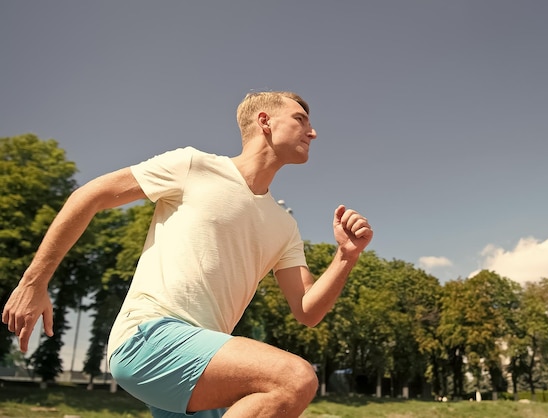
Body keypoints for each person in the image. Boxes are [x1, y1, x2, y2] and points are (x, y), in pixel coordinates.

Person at [2, 91, 374, 418]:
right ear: (265, 121)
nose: (313, 132)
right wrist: (34, 282)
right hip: (148, 337)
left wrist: (346, 256)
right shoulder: (194, 166)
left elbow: (307, 310)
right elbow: (89, 196)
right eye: (301, 120)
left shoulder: (284, 225)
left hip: (199, 364)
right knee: (293, 378)